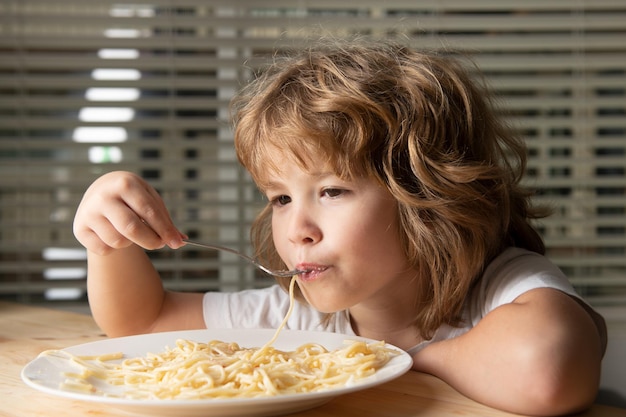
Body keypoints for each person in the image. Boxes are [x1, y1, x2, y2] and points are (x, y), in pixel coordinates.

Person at [74, 38, 607, 415]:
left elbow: (548, 368)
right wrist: (109, 244)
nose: (297, 228)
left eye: (331, 191)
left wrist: (404, 359)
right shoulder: (294, 318)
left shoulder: (503, 286)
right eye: (280, 198)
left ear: (427, 199)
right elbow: (142, 322)